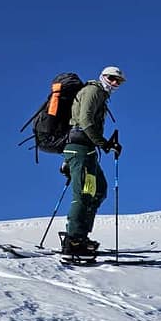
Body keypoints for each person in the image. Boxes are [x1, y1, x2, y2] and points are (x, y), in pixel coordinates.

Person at [60, 66, 126, 258]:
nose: (115, 83)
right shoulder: (93, 91)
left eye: (118, 81)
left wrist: (105, 144)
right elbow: (85, 120)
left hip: (86, 151)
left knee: (97, 190)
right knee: (84, 192)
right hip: (79, 149)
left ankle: (81, 236)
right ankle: (73, 240)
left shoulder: (101, 95)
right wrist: (104, 144)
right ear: (103, 77)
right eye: (112, 78)